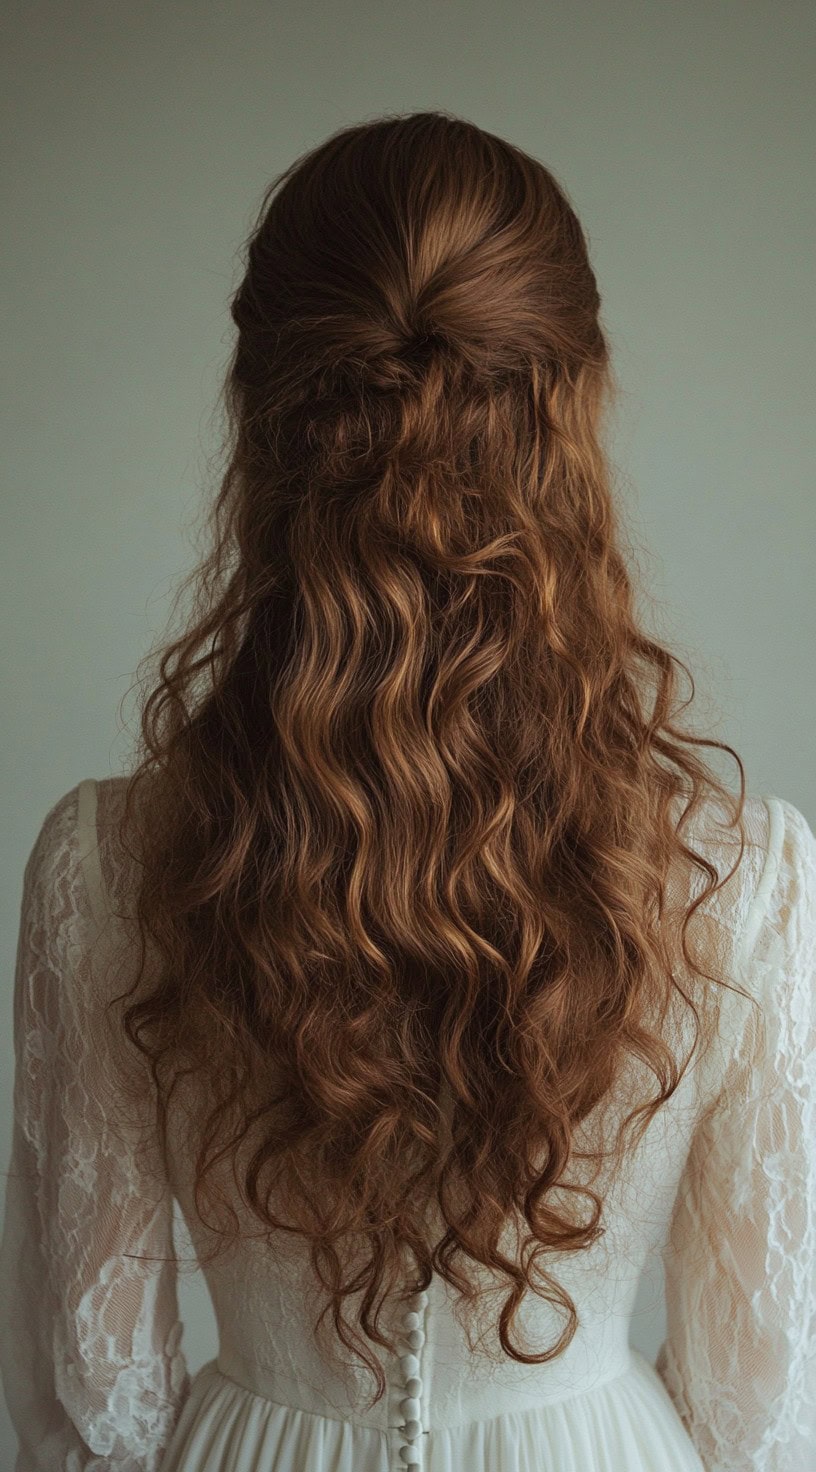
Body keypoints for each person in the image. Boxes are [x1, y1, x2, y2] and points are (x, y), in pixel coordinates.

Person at [1, 110, 814, 1472]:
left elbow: (101, 1396)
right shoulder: (746, 873)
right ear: (578, 406)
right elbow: (760, 1403)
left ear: (261, 412)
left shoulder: (103, 862)